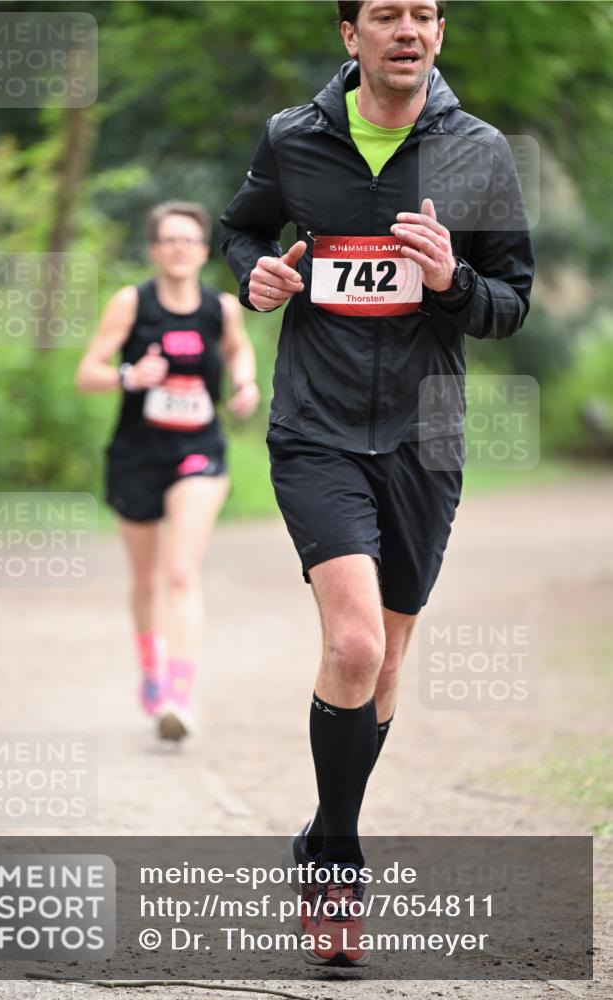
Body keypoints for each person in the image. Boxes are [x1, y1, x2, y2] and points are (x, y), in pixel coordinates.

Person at [221, 0, 534, 965]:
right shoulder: (294, 138)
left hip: (425, 439)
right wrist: (258, 277)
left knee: (388, 660)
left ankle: (319, 832)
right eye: (388, 14)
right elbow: (242, 233)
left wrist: (450, 282)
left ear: (438, 34)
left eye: (426, 14)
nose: (410, 29)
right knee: (352, 645)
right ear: (348, 35)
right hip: (314, 427)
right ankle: (337, 871)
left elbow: (509, 302)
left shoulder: (479, 152)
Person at [76, 201, 260, 741]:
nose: (180, 249)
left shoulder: (220, 307)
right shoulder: (131, 303)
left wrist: (245, 384)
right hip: (137, 454)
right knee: (145, 579)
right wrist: (131, 375)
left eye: (190, 241)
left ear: (204, 251)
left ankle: (179, 694)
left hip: (199, 453)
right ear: (154, 250)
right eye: (169, 240)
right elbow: (88, 372)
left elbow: (238, 349)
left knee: (181, 573)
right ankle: (151, 670)